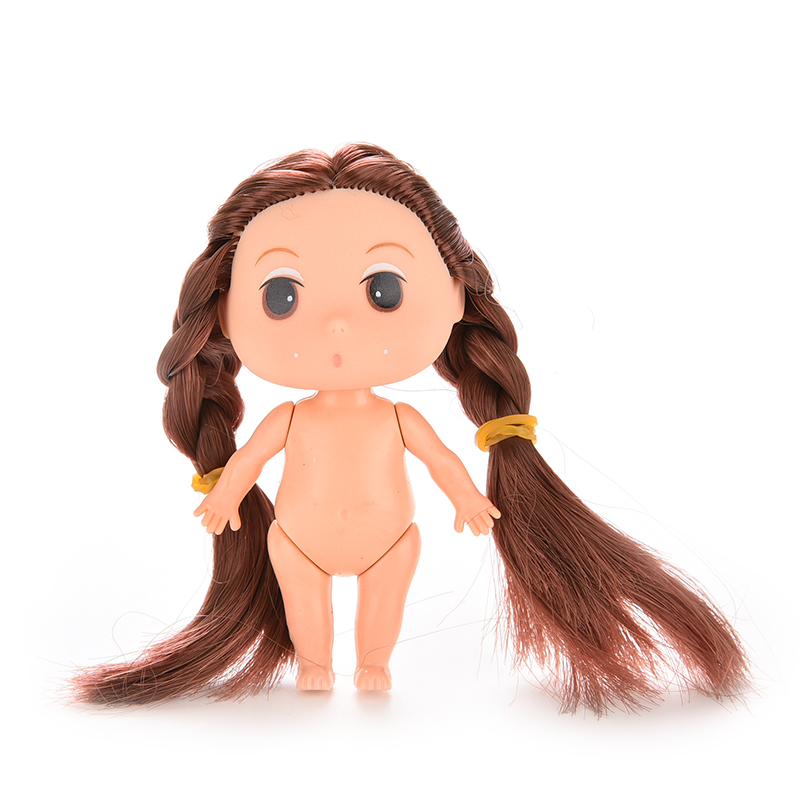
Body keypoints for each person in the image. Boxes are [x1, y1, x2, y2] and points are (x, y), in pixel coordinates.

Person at [73, 144, 748, 713]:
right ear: (223, 315)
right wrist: (225, 493)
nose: (338, 324)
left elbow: (440, 460)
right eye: (282, 295)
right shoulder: (288, 418)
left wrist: (468, 497)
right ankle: (314, 661)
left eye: (383, 290)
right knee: (306, 605)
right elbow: (248, 461)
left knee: (381, 605)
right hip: (296, 541)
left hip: (389, 542)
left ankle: (373, 661)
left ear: (455, 296)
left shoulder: (398, 417)